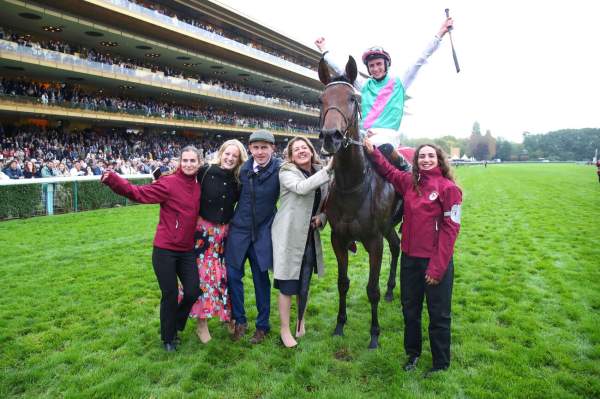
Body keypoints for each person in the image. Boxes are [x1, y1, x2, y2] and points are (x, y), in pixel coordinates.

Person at [364, 137, 462, 376]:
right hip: (409, 260)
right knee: (410, 311)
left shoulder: (449, 189)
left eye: (431, 156)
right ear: (415, 161)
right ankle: (413, 353)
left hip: (435, 263)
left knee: (438, 314)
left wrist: (437, 268)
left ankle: (440, 363)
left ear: (439, 159)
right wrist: (372, 150)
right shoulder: (410, 183)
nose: (426, 160)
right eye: (421, 156)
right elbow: (388, 170)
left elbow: (451, 230)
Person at [315, 16, 454, 169]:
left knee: (378, 144)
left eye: (379, 64)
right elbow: (341, 70)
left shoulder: (400, 82)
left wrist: (439, 34)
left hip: (388, 136)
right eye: (372, 66)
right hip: (365, 133)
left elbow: (420, 59)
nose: (375, 69)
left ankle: (405, 168)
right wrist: (324, 50)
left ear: (386, 64)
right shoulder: (365, 85)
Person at [101, 146, 202, 352]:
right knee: (170, 294)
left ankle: (176, 324)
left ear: (199, 163)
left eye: (193, 161)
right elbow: (138, 194)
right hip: (165, 249)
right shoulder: (168, 183)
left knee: (192, 291)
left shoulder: (201, 185)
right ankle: (168, 338)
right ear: (179, 162)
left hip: (187, 250)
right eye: (185, 160)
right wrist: (113, 179)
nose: (189, 164)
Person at [182, 139, 248, 343]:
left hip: (224, 235)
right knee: (202, 278)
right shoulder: (205, 171)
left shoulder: (239, 179)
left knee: (223, 277)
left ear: (239, 159)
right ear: (221, 153)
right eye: (227, 154)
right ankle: (201, 324)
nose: (229, 158)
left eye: (234, 156)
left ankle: (226, 316)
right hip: (202, 234)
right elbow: (181, 178)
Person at [271, 137, 332, 348]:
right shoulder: (286, 171)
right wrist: (328, 170)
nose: (301, 151)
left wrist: (322, 218)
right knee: (288, 284)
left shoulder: (319, 170)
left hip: (309, 235)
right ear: (291, 155)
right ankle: (285, 329)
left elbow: (326, 203)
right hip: (289, 236)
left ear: (311, 150)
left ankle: (300, 320)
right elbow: (301, 188)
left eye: (304, 147)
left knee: (304, 282)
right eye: (296, 149)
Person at [225, 130, 282, 344]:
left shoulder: (281, 169)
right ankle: (239, 320)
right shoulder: (241, 169)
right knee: (232, 276)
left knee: (261, 280)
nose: (259, 152)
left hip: (263, 233)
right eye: (256, 147)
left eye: (264, 147)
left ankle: (262, 326)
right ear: (249, 148)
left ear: (272, 148)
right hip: (238, 231)